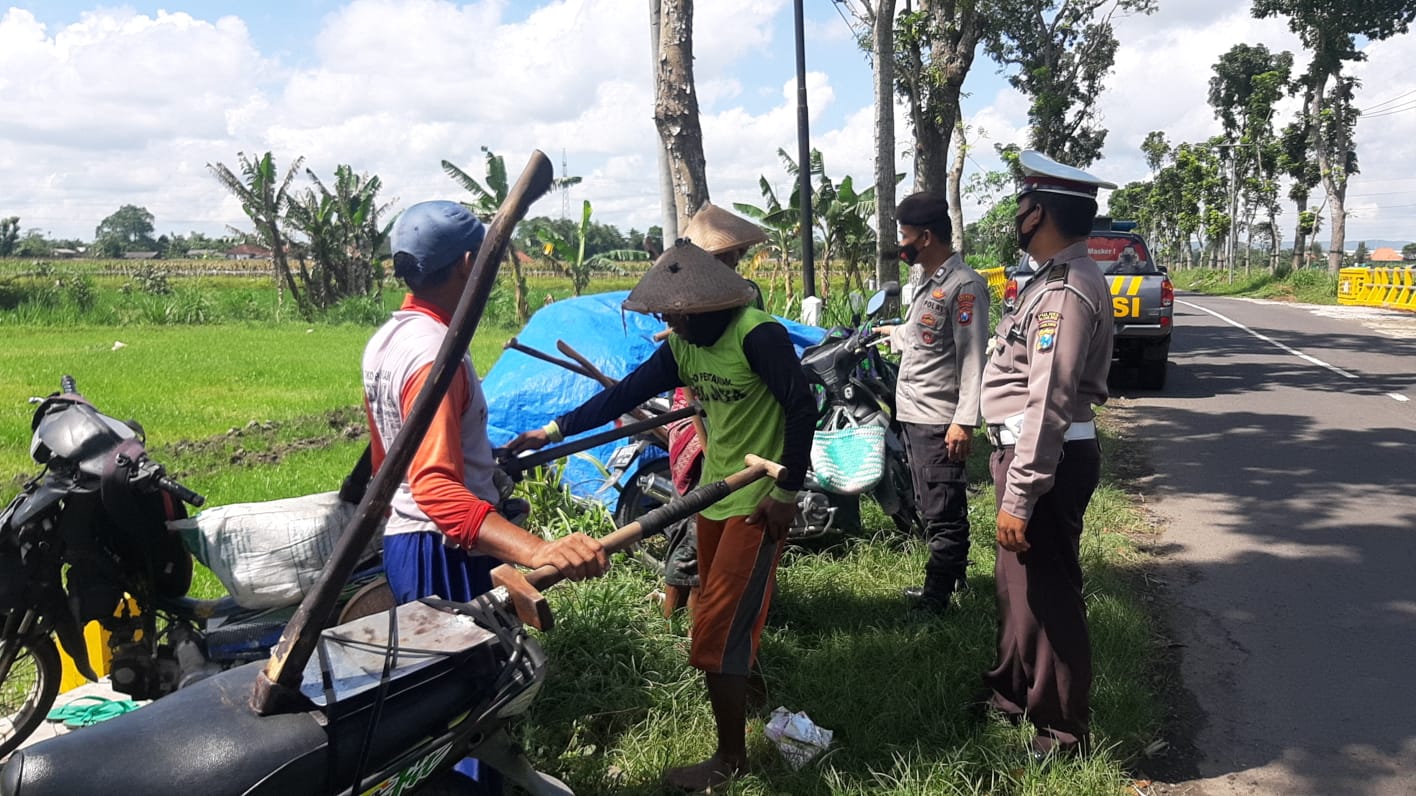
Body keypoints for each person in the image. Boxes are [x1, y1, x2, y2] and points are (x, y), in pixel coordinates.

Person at [505, 240, 816, 792]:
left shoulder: (756, 335)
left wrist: (786, 492)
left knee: (717, 629)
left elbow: (800, 404)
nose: (669, 323)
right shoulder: (684, 346)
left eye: (676, 315)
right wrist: (551, 432)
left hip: (758, 497)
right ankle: (749, 696)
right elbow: (622, 394)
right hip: (716, 494)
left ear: (705, 307)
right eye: (665, 316)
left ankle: (731, 760)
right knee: (726, 615)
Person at [362, 201, 610, 791]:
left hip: (409, 544)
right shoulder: (435, 356)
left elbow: (389, 462)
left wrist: (486, 463)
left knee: (441, 717)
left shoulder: (390, 340)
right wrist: (539, 550)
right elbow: (435, 488)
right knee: (470, 724)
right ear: (471, 262)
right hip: (444, 550)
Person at [978, 151, 1117, 762]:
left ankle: (1062, 733)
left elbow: (1048, 404)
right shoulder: (1048, 280)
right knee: (1018, 590)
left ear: (1036, 214)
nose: (1015, 217)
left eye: (1020, 207)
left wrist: (1020, 493)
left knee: (1050, 594)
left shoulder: (1066, 292)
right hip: (1030, 457)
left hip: (1045, 464)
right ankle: (1012, 693)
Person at [875, 191, 990, 614]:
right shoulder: (928, 282)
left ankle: (937, 599)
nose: (900, 244)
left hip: (939, 418)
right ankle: (951, 581)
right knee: (927, 502)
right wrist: (891, 334)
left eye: (904, 235)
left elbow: (972, 356)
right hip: (914, 413)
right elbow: (926, 340)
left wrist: (964, 421)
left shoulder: (964, 287)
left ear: (924, 237)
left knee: (942, 509)